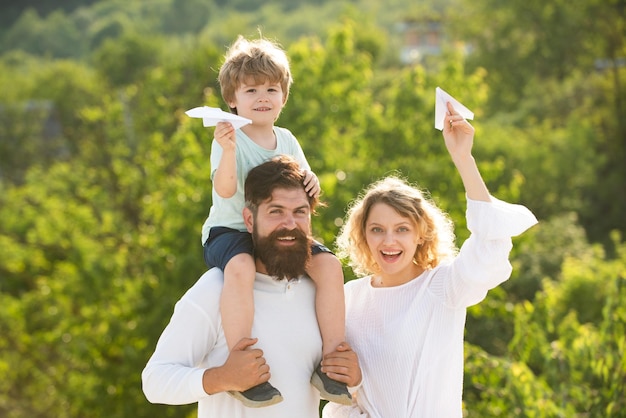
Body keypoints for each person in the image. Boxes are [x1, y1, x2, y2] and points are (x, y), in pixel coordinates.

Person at [322, 102, 538, 418]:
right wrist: (353, 385)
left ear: (421, 234)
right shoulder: (349, 298)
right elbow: (343, 399)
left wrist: (463, 159)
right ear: (363, 235)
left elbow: (488, 249)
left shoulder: (442, 287)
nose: (389, 241)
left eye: (402, 229)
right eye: (377, 229)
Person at [142, 156, 361, 417]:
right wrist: (221, 378)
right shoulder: (216, 287)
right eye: (275, 211)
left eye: (300, 212)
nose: (289, 224)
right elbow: (155, 382)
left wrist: (353, 377)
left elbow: (349, 390)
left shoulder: (323, 292)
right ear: (249, 220)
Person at [200, 35, 350, 406]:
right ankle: (242, 362)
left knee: (330, 266)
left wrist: (312, 181)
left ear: (283, 97)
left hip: (279, 230)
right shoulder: (228, 137)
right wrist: (230, 151)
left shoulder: (286, 138)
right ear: (232, 100)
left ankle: (331, 364)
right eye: (251, 90)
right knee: (240, 269)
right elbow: (225, 189)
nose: (263, 97)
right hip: (232, 230)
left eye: (272, 89)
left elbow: (304, 186)